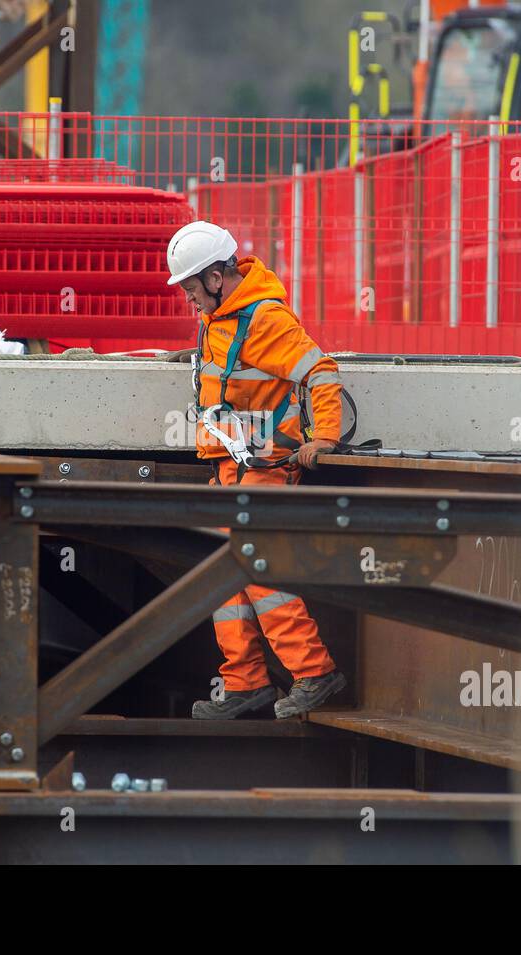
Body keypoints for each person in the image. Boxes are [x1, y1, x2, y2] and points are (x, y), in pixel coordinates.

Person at [166, 220, 347, 720]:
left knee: (259, 569)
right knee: (224, 575)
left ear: (217, 278)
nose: (188, 298)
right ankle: (244, 683)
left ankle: (315, 673)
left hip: (265, 466)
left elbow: (321, 370)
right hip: (232, 467)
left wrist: (325, 437)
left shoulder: (264, 319)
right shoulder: (221, 317)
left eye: (190, 287)